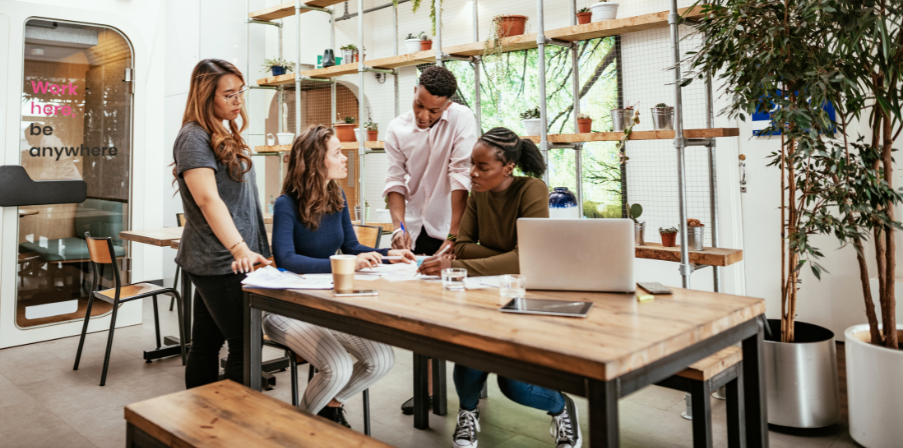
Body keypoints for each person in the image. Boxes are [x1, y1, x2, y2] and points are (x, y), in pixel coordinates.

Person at [419, 128, 582, 448]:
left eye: (482, 167)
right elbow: (463, 245)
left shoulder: (532, 190)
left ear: (507, 167)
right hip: (483, 292)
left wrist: (467, 265)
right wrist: (511, 258)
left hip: (525, 296)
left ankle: (562, 407)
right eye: (472, 165)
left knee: (515, 385)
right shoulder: (478, 193)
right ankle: (467, 414)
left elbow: (521, 262)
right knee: (468, 354)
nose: (473, 173)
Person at [265, 125, 415, 427]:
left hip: (326, 303)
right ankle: (304, 432)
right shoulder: (286, 205)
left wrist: (387, 254)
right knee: (337, 366)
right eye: (337, 153)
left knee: (381, 359)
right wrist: (346, 264)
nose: (344, 158)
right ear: (315, 161)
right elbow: (286, 259)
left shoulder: (338, 197)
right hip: (286, 306)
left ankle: (329, 406)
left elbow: (352, 246)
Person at [384, 65, 478, 413]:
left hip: (450, 225)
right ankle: (426, 389)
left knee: (464, 307)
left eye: (433, 110)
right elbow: (395, 182)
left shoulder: (462, 119)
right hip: (416, 230)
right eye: (419, 104)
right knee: (420, 314)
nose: (423, 115)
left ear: (448, 105)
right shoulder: (396, 129)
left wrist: (454, 237)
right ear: (414, 90)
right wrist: (398, 227)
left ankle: (473, 379)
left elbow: (461, 176)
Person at [172, 59, 271, 388]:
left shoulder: (222, 132)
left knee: (206, 343)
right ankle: (236, 430)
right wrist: (240, 247)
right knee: (245, 343)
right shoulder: (193, 138)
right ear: (205, 97)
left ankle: (201, 423)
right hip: (220, 260)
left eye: (240, 92)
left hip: (227, 258)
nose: (237, 100)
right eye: (228, 94)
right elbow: (207, 199)